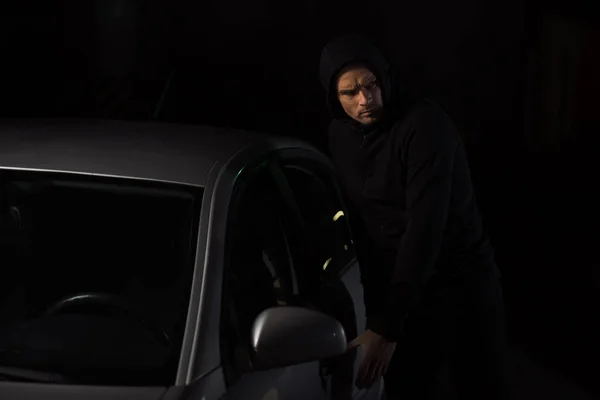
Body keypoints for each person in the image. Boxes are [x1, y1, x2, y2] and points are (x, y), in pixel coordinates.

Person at [319, 34, 510, 399]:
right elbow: (361, 226)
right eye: (350, 92)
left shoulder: (424, 126)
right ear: (334, 97)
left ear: (384, 78)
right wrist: (379, 316)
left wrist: (386, 327)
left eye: (371, 84)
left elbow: (424, 227)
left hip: (461, 283)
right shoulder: (339, 135)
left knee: (485, 388)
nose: (365, 99)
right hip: (404, 291)